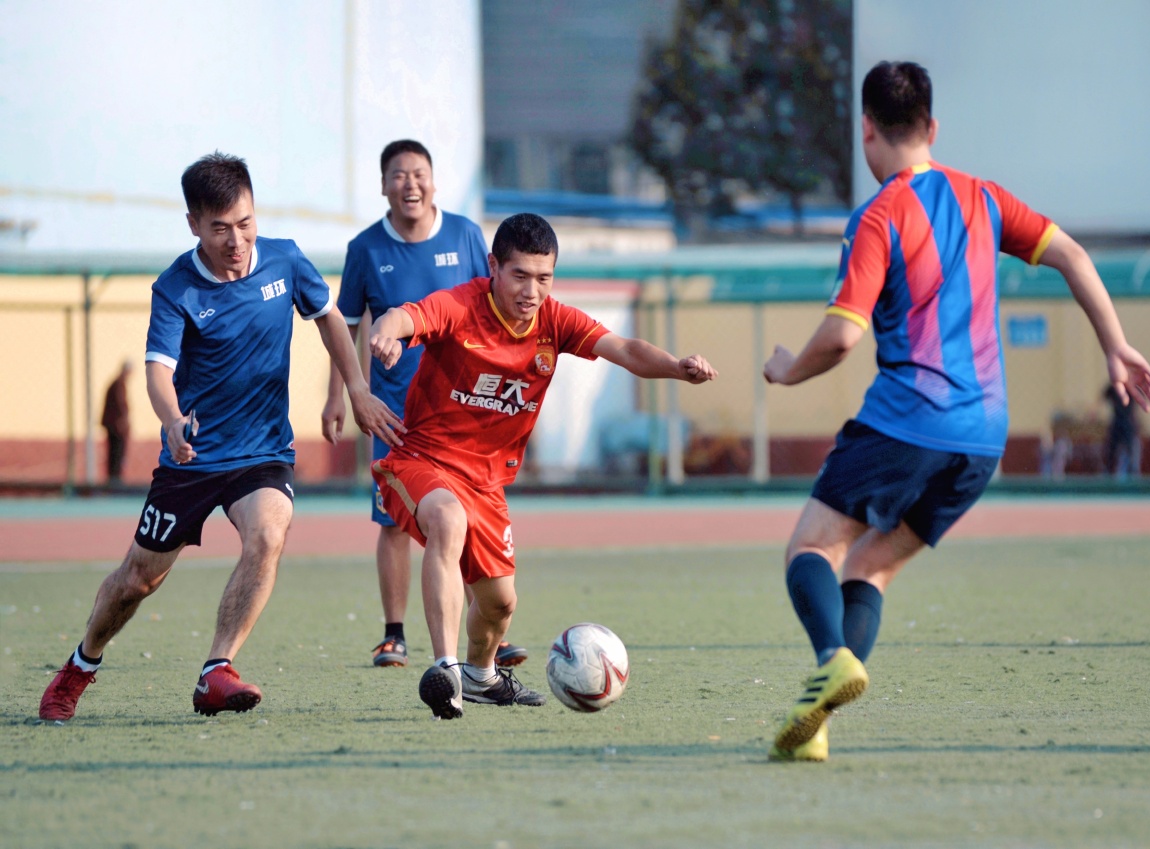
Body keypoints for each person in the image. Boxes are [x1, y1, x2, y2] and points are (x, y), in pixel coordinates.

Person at [762, 61, 1150, 762]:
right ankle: (817, 721)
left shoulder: (879, 216)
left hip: (906, 420)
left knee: (809, 549)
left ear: (866, 130)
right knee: (870, 568)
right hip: (983, 438)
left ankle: (832, 656)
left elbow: (841, 335)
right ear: (932, 127)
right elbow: (1070, 253)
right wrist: (1117, 345)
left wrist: (786, 370)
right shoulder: (982, 198)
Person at [39, 152, 401, 722]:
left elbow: (330, 316)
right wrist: (172, 419)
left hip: (261, 454)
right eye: (220, 228)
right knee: (137, 580)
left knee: (270, 530)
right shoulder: (176, 287)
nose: (236, 240)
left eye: (245, 223)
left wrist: (354, 387)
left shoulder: (285, 261)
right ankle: (81, 665)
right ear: (193, 225)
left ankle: (217, 669)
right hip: (192, 457)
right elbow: (158, 370)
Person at [368, 213, 718, 719]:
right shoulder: (462, 306)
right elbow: (406, 316)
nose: (532, 290)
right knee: (447, 520)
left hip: (486, 482)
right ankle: (444, 670)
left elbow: (624, 349)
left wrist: (675, 368)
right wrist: (386, 332)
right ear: (494, 267)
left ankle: (480, 677)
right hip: (422, 459)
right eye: (520, 275)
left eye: (544, 277)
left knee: (499, 605)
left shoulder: (554, 321)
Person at [322, 139, 528, 670]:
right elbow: (342, 328)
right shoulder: (365, 249)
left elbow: (495, 308)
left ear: (434, 181)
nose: (409, 184)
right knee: (391, 523)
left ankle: (489, 634)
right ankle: (394, 635)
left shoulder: (465, 235)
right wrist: (339, 396)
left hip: (464, 412)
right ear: (383, 185)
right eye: (397, 175)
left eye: (418, 174)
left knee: (465, 518)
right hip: (394, 412)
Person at [101, 359, 134, 486]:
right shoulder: (119, 384)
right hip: (116, 427)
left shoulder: (117, 383)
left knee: (115, 453)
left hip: (114, 425)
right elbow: (121, 406)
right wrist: (123, 423)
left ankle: (114, 480)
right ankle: (114, 481)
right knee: (116, 453)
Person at [1103, 383, 1141, 478]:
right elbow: (1103, 396)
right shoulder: (1113, 387)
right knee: (1112, 450)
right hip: (1117, 421)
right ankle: (1109, 471)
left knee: (1130, 449)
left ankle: (1131, 471)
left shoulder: (1132, 386)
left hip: (1128, 422)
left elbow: (1137, 405)